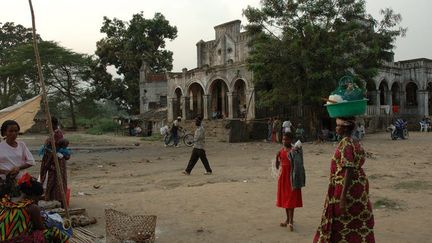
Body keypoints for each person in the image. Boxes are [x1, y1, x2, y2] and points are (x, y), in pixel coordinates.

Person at [313, 117, 375, 242]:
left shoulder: (346, 143)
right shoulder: (355, 141)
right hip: (359, 187)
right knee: (358, 221)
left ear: (345, 127)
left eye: (338, 125)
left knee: (340, 223)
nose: (336, 128)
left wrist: (342, 197)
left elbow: (349, 168)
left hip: (346, 189)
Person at [276, 132, 303, 232]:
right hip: (283, 178)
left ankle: (291, 221)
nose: (284, 141)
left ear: (291, 140)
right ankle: (287, 220)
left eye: (286, 139)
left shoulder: (294, 150)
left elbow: (299, 164)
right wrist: (276, 158)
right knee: (285, 199)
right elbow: (277, 166)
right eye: (283, 139)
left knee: (291, 200)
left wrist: (296, 152)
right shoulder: (281, 151)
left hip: (292, 178)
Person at [0, 120, 35, 197]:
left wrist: (18, 168)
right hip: (3, 182)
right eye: (11, 131)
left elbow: (31, 161)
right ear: (4, 132)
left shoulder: (22, 145)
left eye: (16, 131)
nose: (14, 133)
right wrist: (6, 172)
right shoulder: (1, 146)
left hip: (21, 181)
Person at [39, 117, 68, 207]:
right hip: (53, 160)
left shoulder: (56, 133)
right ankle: (58, 202)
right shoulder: (54, 133)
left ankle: (61, 202)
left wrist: (48, 162)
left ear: (53, 123)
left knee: (56, 181)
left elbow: (55, 148)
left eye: (48, 123)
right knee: (54, 181)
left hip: (55, 162)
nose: (46, 125)